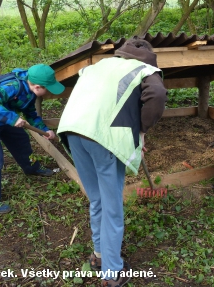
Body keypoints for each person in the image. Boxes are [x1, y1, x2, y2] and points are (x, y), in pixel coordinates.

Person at [57, 39, 167, 287]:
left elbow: (110, 104)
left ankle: (98, 255)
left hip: (73, 131)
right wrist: (141, 129)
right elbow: (157, 95)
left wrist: (135, 132)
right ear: (148, 56)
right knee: (112, 206)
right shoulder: (145, 70)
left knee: (96, 199)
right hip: (102, 140)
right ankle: (112, 272)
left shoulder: (98, 66)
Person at [0, 64, 64, 214]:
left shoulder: (31, 92)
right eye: (48, 89)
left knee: (22, 142)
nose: (48, 93)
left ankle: (31, 167)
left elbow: (30, 113)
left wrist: (44, 130)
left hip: (8, 119)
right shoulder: (12, 86)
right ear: (38, 87)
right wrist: (12, 118)